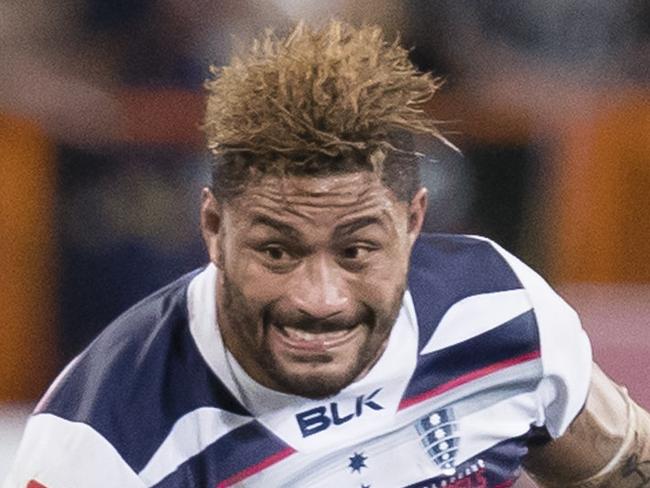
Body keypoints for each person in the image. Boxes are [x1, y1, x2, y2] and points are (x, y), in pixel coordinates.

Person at [5, 21, 649, 488]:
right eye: (277, 252)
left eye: (358, 250)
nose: (320, 299)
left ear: (414, 220)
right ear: (212, 226)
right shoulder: (101, 442)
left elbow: (622, 466)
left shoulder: (504, 311)